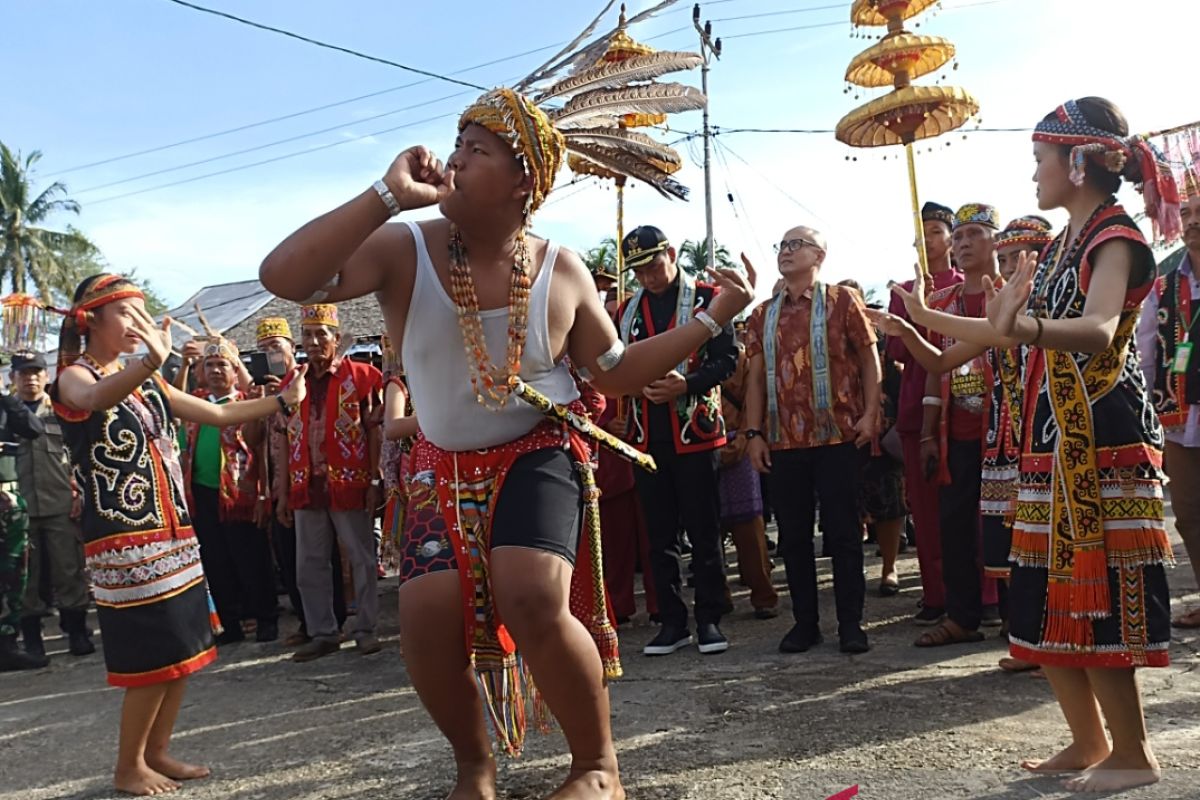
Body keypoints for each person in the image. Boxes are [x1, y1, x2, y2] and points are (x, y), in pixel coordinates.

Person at [259, 83, 754, 798]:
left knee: (528, 592)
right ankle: (475, 766)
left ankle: (596, 767)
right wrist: (385, 195)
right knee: (425, 621)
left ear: (523, 180)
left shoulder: (562, 269)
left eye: (476, 149)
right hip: (438, 462)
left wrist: (713, 319)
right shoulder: (405, 245)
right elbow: (286, 276)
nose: (454, 160)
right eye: (456, 144)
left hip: (537, 450)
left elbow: (614, 375)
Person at [890, 97, 1177, 792]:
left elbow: (1101, 328)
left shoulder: (1115, 237)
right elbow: (1000, 331)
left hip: (1102, 433)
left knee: (1103, 589)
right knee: (1041, 588)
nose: (1035, 176)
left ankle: (1133, 753)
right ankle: (1088, 740)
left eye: (1040, 161)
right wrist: (923, 319)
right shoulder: (1059, 250)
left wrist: (1022, 331)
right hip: (1051, 438)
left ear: (1078, 161)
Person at [51, 273, 306, 796]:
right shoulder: (73, 378)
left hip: (173, 533)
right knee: (152, 654)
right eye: (127, 312)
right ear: (91, 319)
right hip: (126, 539)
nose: (139, 323)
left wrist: (281, 401)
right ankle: (129, 766)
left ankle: (157, 751)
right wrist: (151, 358)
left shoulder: (145, 381)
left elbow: (215, 413)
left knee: (183, 647)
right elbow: (97, 397)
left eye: (143, 312)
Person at [744, 226, 880, 655]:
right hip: (783, 441)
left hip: (837, 436)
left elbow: (868, 357)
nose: (785, 252)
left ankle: (851, 624)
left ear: (819, 253)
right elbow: (753, 380)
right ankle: (805, 624)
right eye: (781, 245)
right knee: (793, 537)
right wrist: (752, 433)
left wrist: (873, 412)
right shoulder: (763, 312)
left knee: (842, 533)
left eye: (795, 244)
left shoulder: (843, 300)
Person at [616, 225, 736, 656]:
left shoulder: (707, 298)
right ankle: (671, 621)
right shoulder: (626, 311)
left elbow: (727, 360)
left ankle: (709, 619)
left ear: (670, 252)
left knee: (705, 531)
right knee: (658, 535)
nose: (647, 277)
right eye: (639, 271)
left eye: (652, 264)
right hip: (646, 435)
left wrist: (685, 384)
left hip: (696, 433)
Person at [285, 304, 383, 662]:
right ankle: (323, 632)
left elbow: (375, 433)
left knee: (361, 558)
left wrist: (375, 478)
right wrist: (282, 490)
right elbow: (282, 439)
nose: (312, 342)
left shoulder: (363, 376)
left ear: (336, 338)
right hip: (306, 484)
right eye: (307, 335)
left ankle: (366, 629)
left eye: (320, 334)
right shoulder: (292, 382)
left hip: (350, 482)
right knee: (308, 563)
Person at [887, 202, 963, 625]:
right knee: (926, 508)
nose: (928, 238)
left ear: (950, 237)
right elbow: (897, 350)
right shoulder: (904, 289)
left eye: (936, 230)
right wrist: (917, 314)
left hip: (966, 403)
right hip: (918, 403)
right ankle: (936, 594)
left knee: (964, 506)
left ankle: (976, 592)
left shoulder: (968, 282)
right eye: (922, 231)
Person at [178, 336, 278, 644]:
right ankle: (230, 624)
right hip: (201, 493)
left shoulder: (244, 403)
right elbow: (173, 400)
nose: (216, 371)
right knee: (216, 561)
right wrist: (183, 364)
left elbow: (256, 441)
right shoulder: (196, 402)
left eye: (222, 365)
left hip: (238, 492)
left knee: (250, 559)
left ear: (235, 372)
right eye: (209, 365)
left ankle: (265, 619)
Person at [256, 317, 347, 645]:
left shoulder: (304, 381)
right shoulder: (272, 390)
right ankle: (309, 622)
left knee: (321, 555)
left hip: (311, 477)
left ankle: (333, 620)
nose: (270, 354)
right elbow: (262, 440)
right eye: (263, 350)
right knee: (292, 556)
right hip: (281, 481)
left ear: (291, 348)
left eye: (275, 347)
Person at [1138, 172, 1200, 629]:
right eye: (1190, 214)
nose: (1195, 222)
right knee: (1190, 513)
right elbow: (1144, 350)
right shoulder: (1161, 283)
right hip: (1181, 413)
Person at [12, 350, 95, 659]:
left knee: (69, 569)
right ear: (13, 378)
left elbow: (80, 456)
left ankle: (76, 631)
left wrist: (80, 494)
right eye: (23, 373)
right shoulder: (6, 415)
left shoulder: (63, 411)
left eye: (36, 372)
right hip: (19, 508)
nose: (30, 378)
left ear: (46, 376)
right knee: (26, 575)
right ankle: (32, 639)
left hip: (61, 503)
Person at [717, 335, 779, 618]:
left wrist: (744, 435)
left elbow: (755, 397)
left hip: (737, 444)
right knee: (707, 526)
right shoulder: (681, 353)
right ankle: (718, 597)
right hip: (696, 446)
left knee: (749, 525)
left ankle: (763, 595)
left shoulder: (739, 357)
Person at [0, 374, 46, 672]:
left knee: (13, 571)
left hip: (7, 497)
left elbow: (34, 429)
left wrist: (5, 396)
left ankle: (6, 645)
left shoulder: (5, 404)